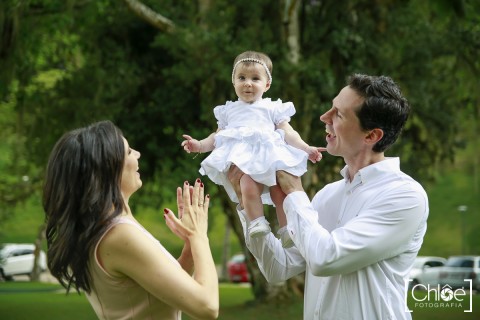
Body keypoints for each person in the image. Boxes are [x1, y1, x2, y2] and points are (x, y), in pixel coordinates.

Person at [228, 74, 429, 319]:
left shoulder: (405, 196)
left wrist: (294, 192)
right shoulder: (327, 195)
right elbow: (278, 269)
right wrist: (248, 206)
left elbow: (326, 258)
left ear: (371, 136)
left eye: (339, 114)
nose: (325, 117)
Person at [43, 120, 219, 320]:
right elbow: (207, 306)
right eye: (128, 152)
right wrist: (199, 236)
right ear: (107, 169)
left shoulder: (103, 229)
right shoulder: (119, 235)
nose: (138, 154)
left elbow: (156, 292)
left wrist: (189, 248)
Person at [181, 51, 323, 248]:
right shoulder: (228, 110)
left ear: (267, 84)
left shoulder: (272, 108)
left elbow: (289, 132)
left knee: (279, 192)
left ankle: (286, 228)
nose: (248, 83)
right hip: (244, 161)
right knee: (247, 186)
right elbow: (217, 137)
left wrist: (307, 148)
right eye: (242, 78)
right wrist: (200, 145)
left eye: (255, 78)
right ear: (234, 82)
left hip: (270, 157)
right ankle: (257, 222)